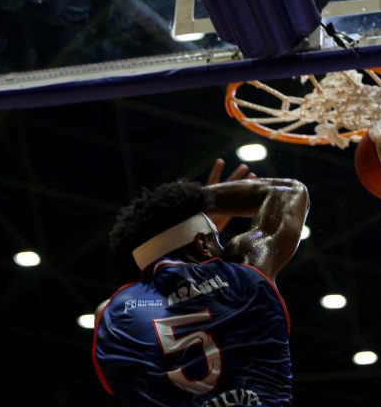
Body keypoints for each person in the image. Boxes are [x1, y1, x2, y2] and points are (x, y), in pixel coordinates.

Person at [93, 159, 309, 407]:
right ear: (202, 244)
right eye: (217, 241)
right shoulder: (244, 274)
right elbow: (289, 192)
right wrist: (194, 199)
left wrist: (169, 221)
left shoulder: (112, 314)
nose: (223, 252)